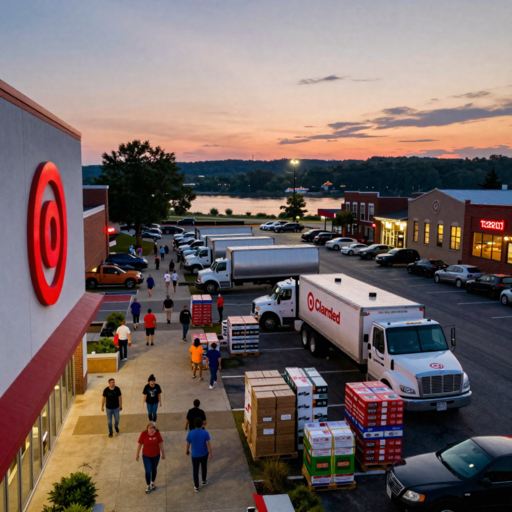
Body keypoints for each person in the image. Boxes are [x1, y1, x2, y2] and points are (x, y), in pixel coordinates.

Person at [136, 422, 165, 494]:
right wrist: (137, 454)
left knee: (154, 469)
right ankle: (148, 485)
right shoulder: (143, 434)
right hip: (146, 456)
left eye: (153, 427)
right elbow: (140, 444)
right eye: (150, 428)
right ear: (147, 428)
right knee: (148, 470)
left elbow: (160, 443)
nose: (152, 429)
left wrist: (163, 453)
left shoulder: (157, 434)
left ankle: (152, 483)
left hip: (156, 456)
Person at [186, 418, 212, 492]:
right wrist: (210, 453)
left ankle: (196, 486)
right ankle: (204, 481)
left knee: (195, 470)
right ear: (202, 424)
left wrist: (187, 450)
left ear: (194, 425)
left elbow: (188, 443)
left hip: (195, 455)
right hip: (204, 454)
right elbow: (208, 444)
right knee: (204, 467)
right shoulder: (205, 433)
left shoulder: (190, 433)